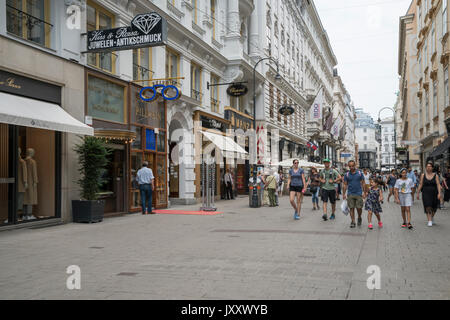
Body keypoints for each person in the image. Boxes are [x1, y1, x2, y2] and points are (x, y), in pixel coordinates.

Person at [416, 162, 442, 227]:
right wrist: (418, 193)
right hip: (426, 193)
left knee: (434, 207)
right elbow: (420, 184)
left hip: (434, 193)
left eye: (430, 166)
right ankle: (429, 220)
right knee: (428, 206)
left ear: (432, 168)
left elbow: (438, 185)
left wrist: (439, 193)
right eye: (427, 166)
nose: (428, 167)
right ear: (426, 168)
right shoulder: (423, 175)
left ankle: (432, 217)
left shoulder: (435, 176)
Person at [343, 160, 365, 228]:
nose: (351, 167)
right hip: (350, 193)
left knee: (359, 208)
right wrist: (344, 194)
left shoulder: (360, 173)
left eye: (352, 166)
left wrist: (364, 192)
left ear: (355, 165)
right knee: (351, 208)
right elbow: (345, 185)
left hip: (359, 193)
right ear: (348, 166)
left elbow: (363, 183)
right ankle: (353, 221)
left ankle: (359, 217)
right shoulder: (346, 174)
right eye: (350, 166)